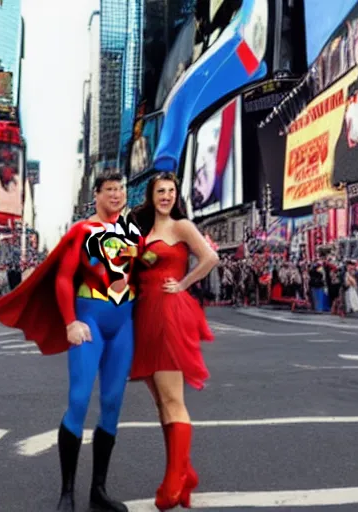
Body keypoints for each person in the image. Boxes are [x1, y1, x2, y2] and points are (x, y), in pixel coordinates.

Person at [0, 171, 142, 512]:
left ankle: (98, 491)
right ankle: (67, 492)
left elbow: (145, 269)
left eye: (120, 189)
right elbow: (62, 278)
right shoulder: (82, 231)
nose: (116, 195)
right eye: (109, 190)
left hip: (122, 326)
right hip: (89, 324)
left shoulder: (132, 234)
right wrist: (71, 322)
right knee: (78, 400)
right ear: (97, 196)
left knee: (113, 405)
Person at [127, 172, 218, 510]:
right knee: (161, 402)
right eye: (160, 191)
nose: (166, 196)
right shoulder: (145, 231)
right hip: (145, 315)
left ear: (176, 195)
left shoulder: (182, 226)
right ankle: (186, 473)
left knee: (172, 398)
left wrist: (182, 284)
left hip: (168, 313)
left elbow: (210, 258)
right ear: (151, 196)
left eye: (171, 191)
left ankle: (174, 480)